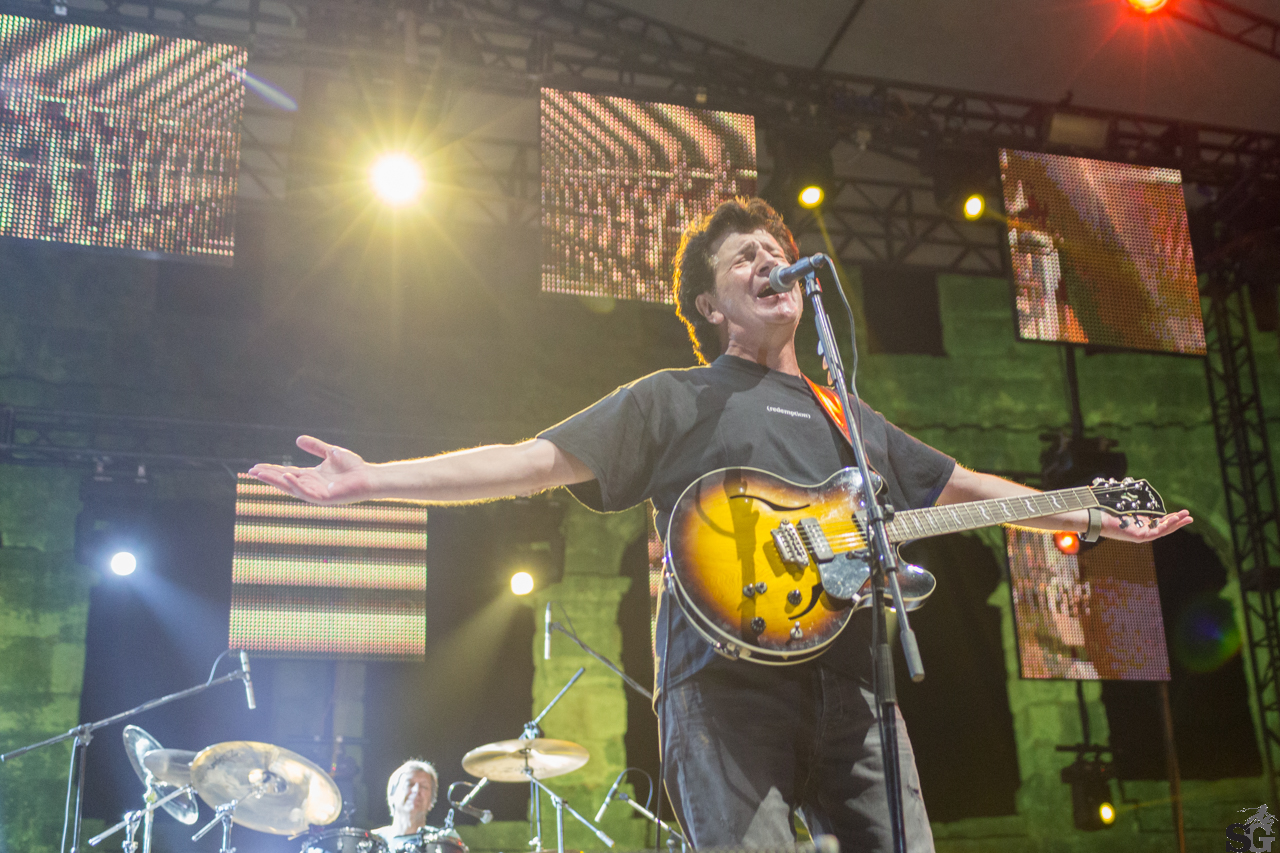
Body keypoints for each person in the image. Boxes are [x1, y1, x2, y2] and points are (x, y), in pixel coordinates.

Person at [250, 197, 1191, 851]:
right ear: (710, 304)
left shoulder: (847, 415)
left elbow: (962, 487)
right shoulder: (674, 398)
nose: (767, 259)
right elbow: (530, 461)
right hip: (722, 693)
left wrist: (1084, 510)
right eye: (744, 255)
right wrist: (373, 481)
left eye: (775, 248)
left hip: (855, 688)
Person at [372, 760, 451, 850]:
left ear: (431, 802)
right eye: (409, 784)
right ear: (392, 795)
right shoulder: (372, 841)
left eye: (424, 786)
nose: (416, 790)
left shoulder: (443, 843)